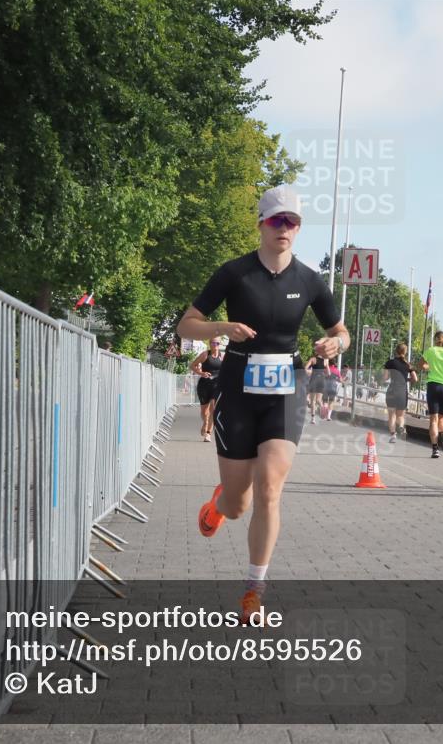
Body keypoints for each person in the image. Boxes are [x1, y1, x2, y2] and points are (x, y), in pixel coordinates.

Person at [176, 185, 350, 622]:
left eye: (292, 222)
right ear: (261, 225)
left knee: (270, 488)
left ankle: (254, 588)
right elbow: (187, 324)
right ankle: (218, 504)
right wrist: (223, 326)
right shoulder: (235, 273)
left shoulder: (310, 280)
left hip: (286, 388)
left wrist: (335, 343)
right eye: (276, 221)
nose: (284, 229)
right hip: (237, 387)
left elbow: (342, 331)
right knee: (239, 504)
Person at [189, 337, 223, 442]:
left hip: (217, 386)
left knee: (214, 408)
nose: (215, 345)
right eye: (213, 343)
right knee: (204, 411)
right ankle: (205, 422)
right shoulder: (205, 355)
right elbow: (192, 365)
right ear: (209, 343)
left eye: (217, 343)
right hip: (204, 386)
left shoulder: (223, 356)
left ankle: (208, 433)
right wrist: (201, 373)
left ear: (220, 344)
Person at [384, 343, 416, 442]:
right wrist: (406, 380)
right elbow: (415, 378)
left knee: (391, 415)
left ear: (396, 351)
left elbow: (385, 378)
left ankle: (393, 435)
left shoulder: (390, 363)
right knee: (400, 415)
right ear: (405, 352)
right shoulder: (408, 364)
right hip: (402, 391)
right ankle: (401, 426)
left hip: (392, 389)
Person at [304, 353, 328, 425]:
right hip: (321, 380)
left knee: (313, 401)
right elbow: (328, 373)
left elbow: (305, 368)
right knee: (318, 400)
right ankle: (322, 406)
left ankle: (313, 419)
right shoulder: (325, 361)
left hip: (314, 380)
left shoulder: (313, 359)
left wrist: (309, 373)